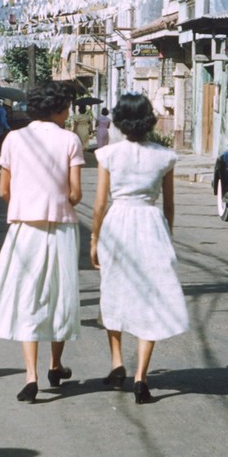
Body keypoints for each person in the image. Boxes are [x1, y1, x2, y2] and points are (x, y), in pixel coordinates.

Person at [0, 80, 84, 404]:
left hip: (24, 228)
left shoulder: (13, 138)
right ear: (59, 108)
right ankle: (56, 365)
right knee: (60, 295)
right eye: (66, 107)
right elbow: (76, 194)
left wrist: (28, 200)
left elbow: (3, 190)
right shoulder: (70, 139)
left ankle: (31, 375)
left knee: (29, 297)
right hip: (61, 226)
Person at [89, 93, 187, 405]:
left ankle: (117, 362)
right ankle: (141, 377)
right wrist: (166, 235)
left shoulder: (108, 155)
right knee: (151, 300)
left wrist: (93, 240)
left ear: (119, 120)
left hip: (117, 224)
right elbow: (170, 206)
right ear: (149, 120)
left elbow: (100, 204)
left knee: (113, 291)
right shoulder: (164, 156)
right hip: (151, 224)